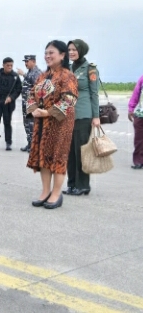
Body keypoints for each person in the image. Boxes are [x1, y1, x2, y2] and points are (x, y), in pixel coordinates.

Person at [27, 40, 78, 210]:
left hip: (59, 124)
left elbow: (69, 99)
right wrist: (34, 109)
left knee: (57, 157)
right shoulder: (42, 75)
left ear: (62, 55)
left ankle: (56, 193)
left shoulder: (67, 76)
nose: (47, 56)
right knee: (43, 157)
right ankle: (45, 191)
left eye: (51, 53)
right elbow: (31, 94)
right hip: (41, 124)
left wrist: (48, 112)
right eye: (46, 53)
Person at [64, 39, 100, 196]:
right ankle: (71, 184)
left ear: (82, 50)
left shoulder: (90, 69)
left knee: (81, 152)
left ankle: (83, 185)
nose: (71, 52)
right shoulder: (69, 68)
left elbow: (94, 93)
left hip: (84, 115)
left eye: (74, 49)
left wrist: (96, 117)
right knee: (70, 152)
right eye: (69, 49)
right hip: (68, 115)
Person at [0, 57, 22, 151]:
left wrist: (11, 98)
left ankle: (8, 143)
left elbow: (18, 89)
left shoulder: (15, 76)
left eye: (11, 65)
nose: (9, 67)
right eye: (7, 65)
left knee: (7, 123)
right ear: (3, 65)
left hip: (8, 103)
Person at [17, 55, 42, 152]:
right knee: (27, 125)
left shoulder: (37, 72)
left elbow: (37, 83)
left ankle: (34, 146)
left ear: (33, 61)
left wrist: (23, 74)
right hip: (26, 104)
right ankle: (30, 144)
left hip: (32, 105)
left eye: (27, 61)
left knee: (32, 125)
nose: (25, 64)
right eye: (25, 62)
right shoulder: (30, 72)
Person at [128, 73, 143, 169]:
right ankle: (138, 161)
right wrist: (131, 109)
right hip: (141, 114)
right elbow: (136, 94)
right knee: (139, 139)